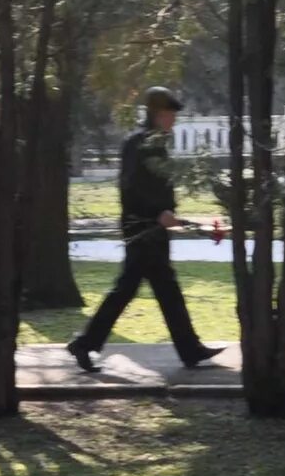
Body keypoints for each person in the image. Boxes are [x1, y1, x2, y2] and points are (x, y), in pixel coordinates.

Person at [69, 86, 221, 373]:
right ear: (156, 113)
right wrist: (156, 214)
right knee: (132, 290)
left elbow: (158, 185)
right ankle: (85, 343)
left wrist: (167, 213)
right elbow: (131, 187)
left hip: (153, 228)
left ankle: (189, 349)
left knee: (161, 289)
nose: (173, 120)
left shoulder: (157, 143)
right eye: (169, 114)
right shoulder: (136, 143)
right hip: (142, 229)